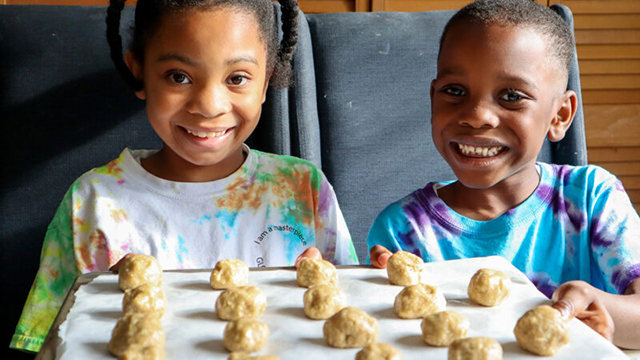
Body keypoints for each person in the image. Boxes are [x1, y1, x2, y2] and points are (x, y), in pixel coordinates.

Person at [11, 0, 358, 353]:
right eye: (179, 76)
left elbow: (354, 318)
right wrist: (103, 306)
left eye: (237, 78)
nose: (208, 105)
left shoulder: (303, 189)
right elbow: (46, 345)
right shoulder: (93, 204)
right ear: (140, 72)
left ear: (266, 80)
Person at [367, 0, 640, 350]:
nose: (477, 115)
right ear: (433, 97)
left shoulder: (590, 197)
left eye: (511, 96)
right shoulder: (404, 231)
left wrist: (599, 308)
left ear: (559, 115)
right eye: (455, 91)